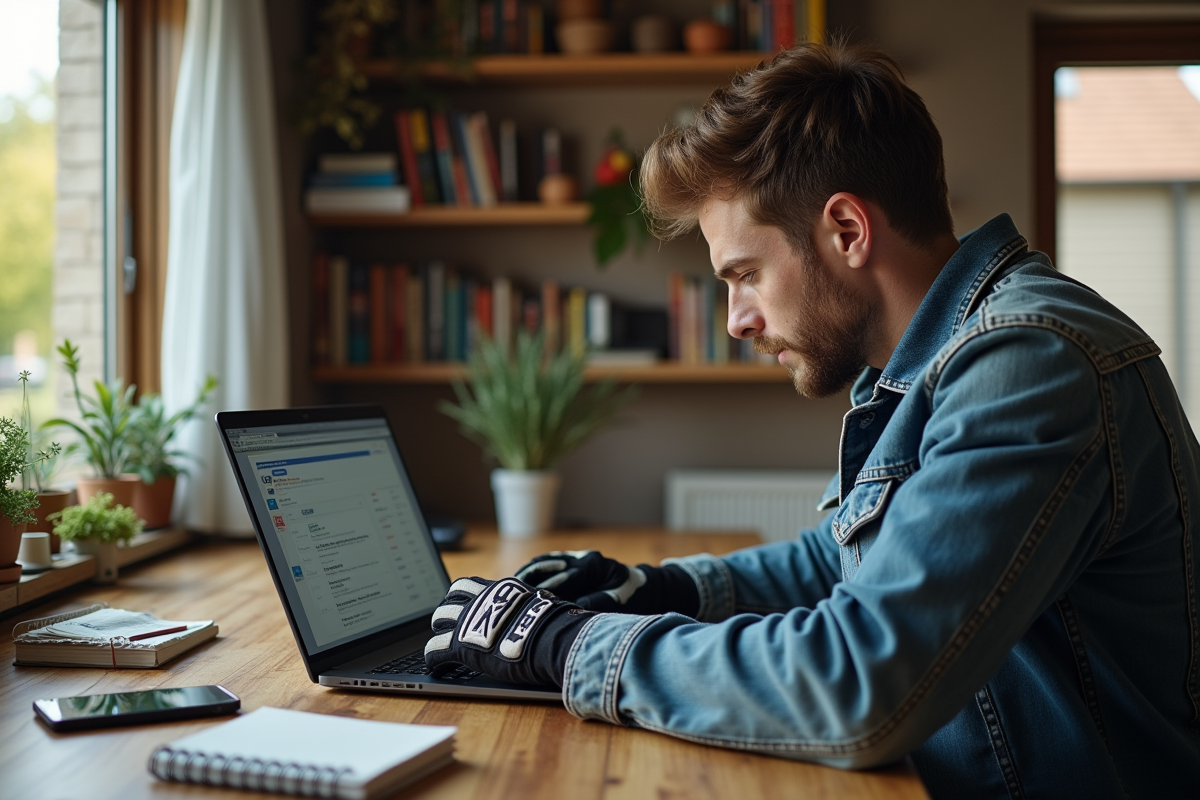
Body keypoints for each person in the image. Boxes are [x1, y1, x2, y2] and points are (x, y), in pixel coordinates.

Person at [424, 41, 1200, 798]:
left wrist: (565, 645)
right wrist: (653, 588)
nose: (736, 319)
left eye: (746, 274)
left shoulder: (1027, 363)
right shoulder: (929, 363)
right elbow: (841, 564)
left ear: (848, 231)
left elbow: (860, 682)